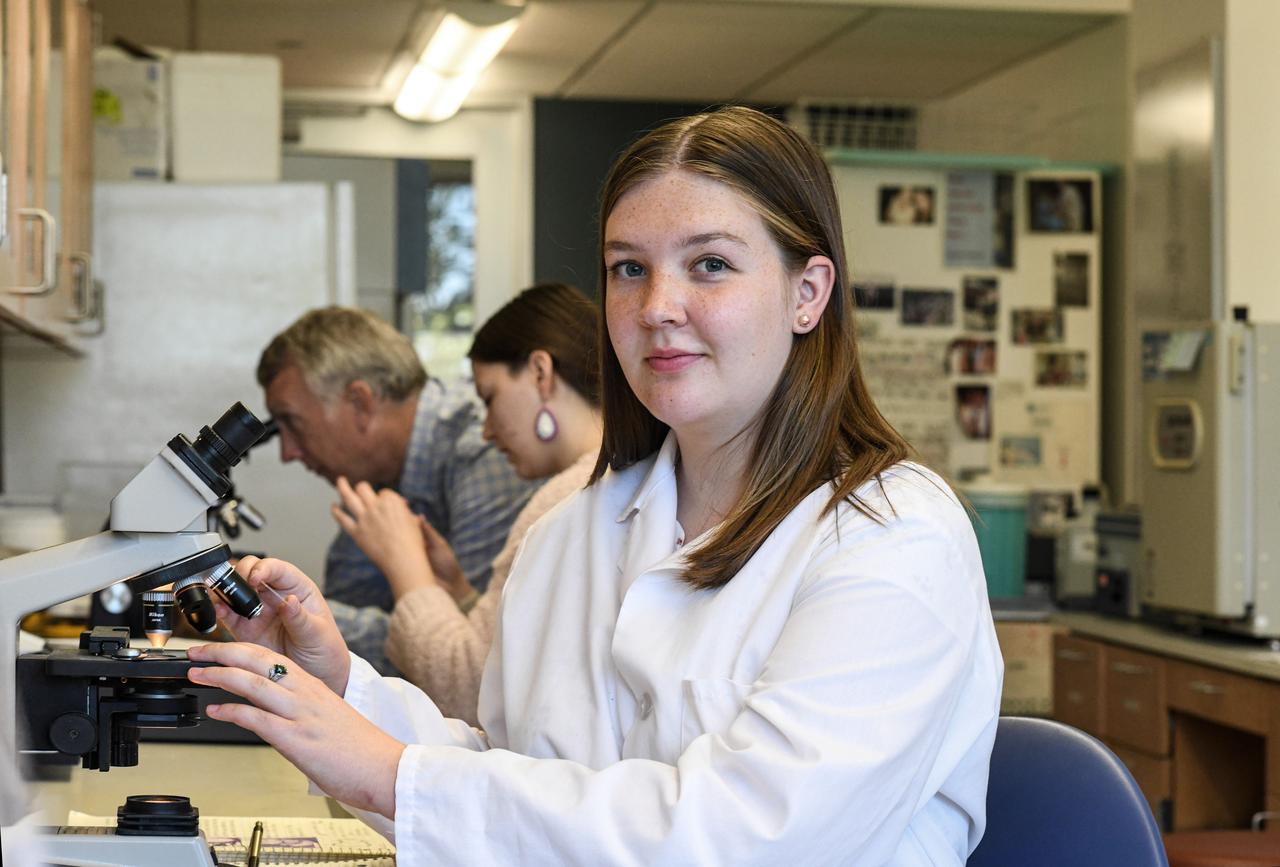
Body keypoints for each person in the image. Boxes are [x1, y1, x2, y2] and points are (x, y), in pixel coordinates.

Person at [192, 106, 1003, 864]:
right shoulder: (576, 529)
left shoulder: (893, 536)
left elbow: (750, 835)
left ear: (807, 293)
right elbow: (510, 778)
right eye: (628, 269)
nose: (658, 307)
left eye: (710, 264)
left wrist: (393, 773)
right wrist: (334, 691)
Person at [330, 283, 602, 723]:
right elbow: (519, 663)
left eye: (490, 399)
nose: (488, 431)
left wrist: (408, 572)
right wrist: (456, 593)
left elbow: (471, 692)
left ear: (540, 373)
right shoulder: (604, 486)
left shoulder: (567, 500)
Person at [256, 307, 537, 673]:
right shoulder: (373, 475)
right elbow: (346, 617)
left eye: (292, 423)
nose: (288, 453)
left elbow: (460, 659)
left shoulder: (484, 453)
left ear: (360, 402)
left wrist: (269, 611)